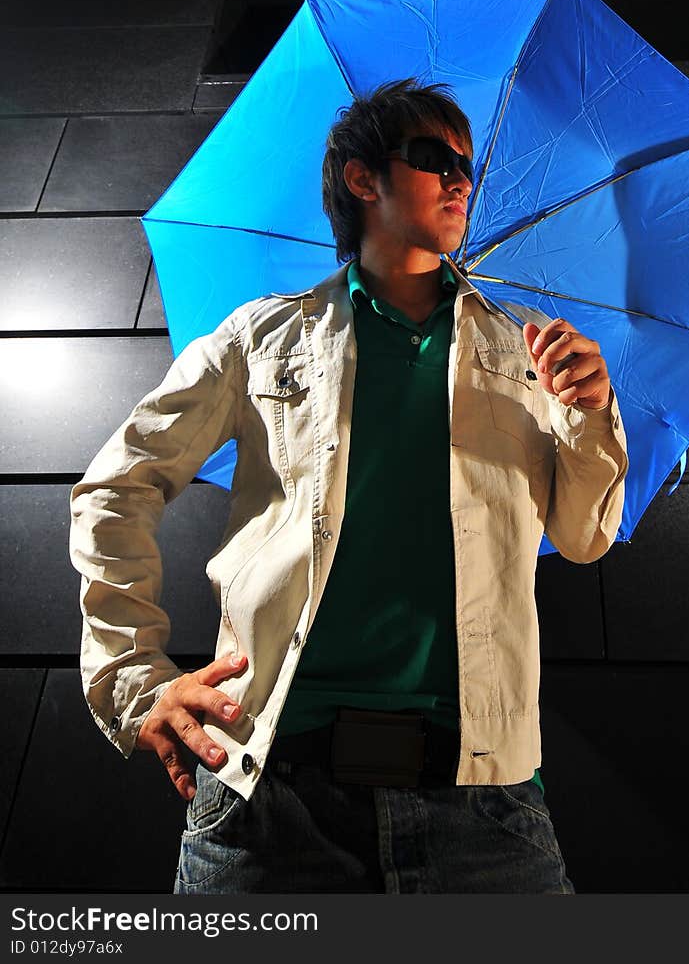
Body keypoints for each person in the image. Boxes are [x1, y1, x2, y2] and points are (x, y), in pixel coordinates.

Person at [69, 77, 628, 894]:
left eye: (468, 166)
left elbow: (585, 535)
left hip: (484, 811)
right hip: (269, 804)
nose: (461, 180)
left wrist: (591, 411)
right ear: (362, 178)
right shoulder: (261, 337)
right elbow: (115, 485)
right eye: (437, 158)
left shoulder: (526, 353)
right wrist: (135, 679)